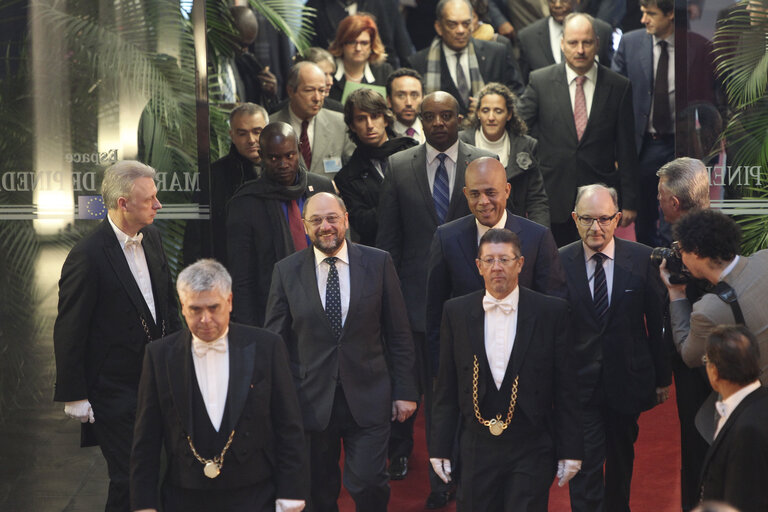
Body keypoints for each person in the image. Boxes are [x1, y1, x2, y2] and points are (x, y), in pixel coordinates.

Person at [376, 90, 495, 508]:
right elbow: (388, 242)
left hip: (473, 297)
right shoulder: (398, 165)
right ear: (419, 121)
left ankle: (472, 478)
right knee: (435, 398)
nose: (439, 122)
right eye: (431, 116)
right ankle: (440, 484)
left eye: (447, 115)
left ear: (460, 118)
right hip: (416, 305)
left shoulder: (483, 162)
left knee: (474, 395)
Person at [264, 192, 418, 512]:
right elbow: (274, 343)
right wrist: (276, 398)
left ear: (346, 219)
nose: (325, 226)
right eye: (316, 220)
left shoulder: (378, 262)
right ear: (305, 226)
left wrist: (405, 389)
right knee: (319, 492)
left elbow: (399, 333)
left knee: (369, 482)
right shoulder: (286, 271)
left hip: (369, 394)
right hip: (311, 400)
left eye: (332, 218)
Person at [53, 160, 181, 512]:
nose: (158, 205)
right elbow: (70, 327)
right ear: (123, 203)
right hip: (114, 389)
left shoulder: (152, 236)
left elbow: (167, 304)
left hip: (158, 380)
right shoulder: (88, 255)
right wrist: (74, 394)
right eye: (150, 199)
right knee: (130, 477)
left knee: (158, 473)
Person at [129, 260, 306, 512]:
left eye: (214, 307)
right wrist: (144, 504)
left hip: (254, 494)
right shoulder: (159, 355)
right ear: (182, 307)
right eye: (195, 309)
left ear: (230, 301)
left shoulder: (267, 347)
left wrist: (291, 493)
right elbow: (145, 438)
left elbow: (289, 425)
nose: (206, 319)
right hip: (183, 497)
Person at [430, 228, 583, 511]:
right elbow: (446, 388)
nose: (496, 267)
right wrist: (439, 447)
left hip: (531, 445)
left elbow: (567, 389)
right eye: (489, 260)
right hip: (476, 446)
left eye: (504, 259)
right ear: (478, 266)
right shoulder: (455, 312)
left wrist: (570, 449)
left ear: (520, 263)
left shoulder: (552, 312)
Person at [559, 184, 670, 512]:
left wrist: (663, 377)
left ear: (618, 219)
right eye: (588, 219)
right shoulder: (559, 261)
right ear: (574, 219)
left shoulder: (641, 258)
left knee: (622, 462)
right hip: (580, 385)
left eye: (605, 219)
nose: (597, 228)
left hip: (627, 380)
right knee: (585, 464)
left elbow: (657, 324)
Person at [426, 156, 566, 374]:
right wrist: (440, 373)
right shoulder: (446, 239)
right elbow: (435, 315)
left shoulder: (537, 238)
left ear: (507, 190)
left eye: (491, 192)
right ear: (465, 194)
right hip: (466, 369)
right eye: (475, 194)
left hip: (525, 367)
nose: (483, 201)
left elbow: (555, 311)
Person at [518, 12, 638, 247]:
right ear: (562, 44)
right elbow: (520, 133)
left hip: (599, 200)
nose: (580, 50)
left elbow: (627, 148)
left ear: (598, 44)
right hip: (552, 196)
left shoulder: (618, 86)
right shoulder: (540, 81)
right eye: (573, 43)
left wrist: (630, 201)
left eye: (587, 42)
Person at [226, 122, 335, 327]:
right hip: (273, 312)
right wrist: (249, 331)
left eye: (289, 156)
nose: (283, 164)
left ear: (299, 151)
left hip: (327, 303)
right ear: (262, 156)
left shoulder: (322, 188)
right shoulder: (246, 202)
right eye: (274, 158)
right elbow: (242, 277)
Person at [656, 157, 713, 512]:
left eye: (660, 195)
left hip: (698, 364)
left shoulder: (691, 248)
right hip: (730, 359)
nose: (657, 202)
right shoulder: (720, 231)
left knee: (697, 447)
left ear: (674, 203)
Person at [662, 210, 768, 388]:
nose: (681, 257)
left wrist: (677, 294)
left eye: (681, 250)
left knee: (704, 416)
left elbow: (690, 356)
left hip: (759, 398)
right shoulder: (764, 257)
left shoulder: (709, 309)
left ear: (695, 252)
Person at [406, 0, 524, 115]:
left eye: (466, 23)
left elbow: (517, 95)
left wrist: (491, 106)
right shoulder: (418, 63)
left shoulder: (497, 53)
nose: (461, 30)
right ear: (439, 27)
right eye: (452, 24)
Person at [184, 103, 267, 265]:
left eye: (257, 132)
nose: (251, 140)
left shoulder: (284, 170)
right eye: (242, 133)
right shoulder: (212, 176)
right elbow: (196, 237)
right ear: (232, 135)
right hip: (228, 271)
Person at [458, 82, 550, 226]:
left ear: (509, 114)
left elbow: (536, 201)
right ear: (478, 113)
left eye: (498, 111)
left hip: (514, 227)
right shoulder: (462, 143)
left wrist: (540, 238)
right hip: (472, 226)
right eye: (486, 110)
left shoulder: (526, 145)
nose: (491, 117)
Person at [334, 89, 417, 248]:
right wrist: (397, 200)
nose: (369, 125)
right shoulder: (347, 177)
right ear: (352, 125)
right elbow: (364, 224)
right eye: (361, 119)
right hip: (382, 250)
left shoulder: (412, 151)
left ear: (385, 120)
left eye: (375, 116)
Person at [699, 325, 768, 512]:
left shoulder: (747, 431)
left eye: (706, 361)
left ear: (714, 372)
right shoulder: (760, 402)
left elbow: (743, 502)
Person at [269, 62, 355, 177]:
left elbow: (353, 169)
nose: (317, 98)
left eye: (321, 91)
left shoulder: (339, 123)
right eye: (309, 90)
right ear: (290, 91)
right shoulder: (270, 126)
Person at [517, 0, 614, 82]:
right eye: (552, 0)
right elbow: (523, 84)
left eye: (564, 0)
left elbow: (609, 78)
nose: (557, 5)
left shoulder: (602, 31)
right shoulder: (528, 37)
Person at [306, 0, 415, 68]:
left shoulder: (386, 3)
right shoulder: (314, 5)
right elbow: (308, 50)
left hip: (380, 71)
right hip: (333, 76)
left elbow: (403, 47)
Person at [326, 14, 394, 103]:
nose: (358, 48)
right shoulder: (328, 71)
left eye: (364, 43)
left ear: (372, 45)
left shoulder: (384, 72)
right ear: (341, 43)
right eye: (352, 42)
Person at [386, 68, 426, 144]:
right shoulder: (384, 135)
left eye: (414, 95)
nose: (409, 103)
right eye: (401, 95)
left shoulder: (432, 131)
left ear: (423, 99)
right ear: (389, 101)